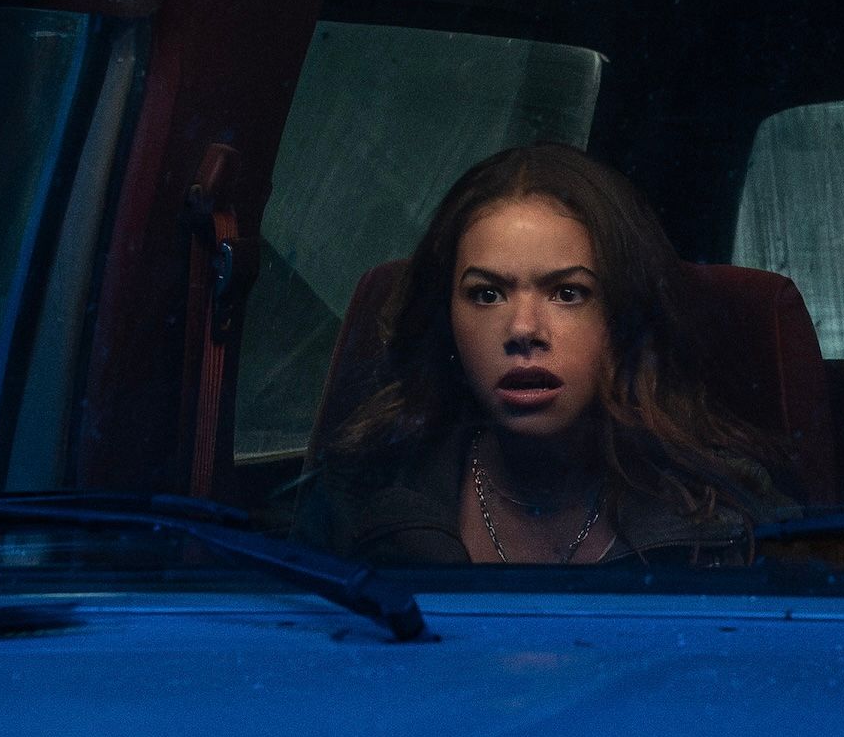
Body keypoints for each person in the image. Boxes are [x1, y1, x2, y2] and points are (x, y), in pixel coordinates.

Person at [296, 143, 785, 565]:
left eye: (568, 293)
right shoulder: (359, 503)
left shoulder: (728, 519)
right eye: (487, 294)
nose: (523, 330)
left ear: (625, 314)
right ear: (446, 320)